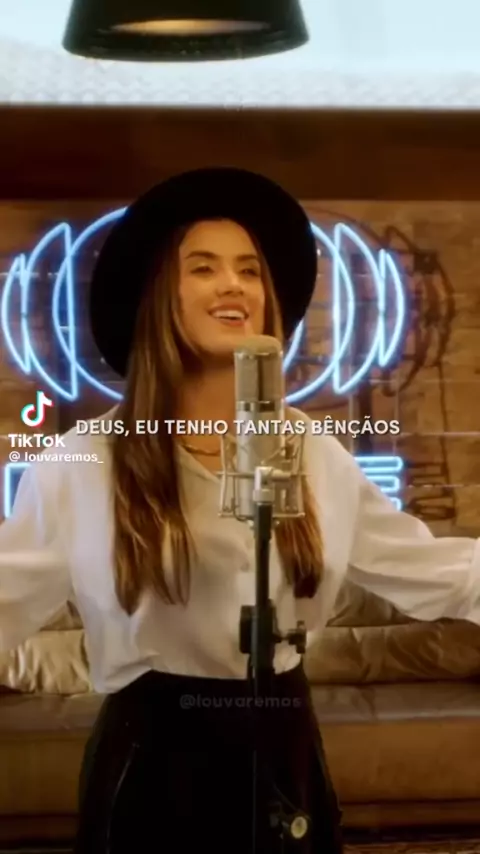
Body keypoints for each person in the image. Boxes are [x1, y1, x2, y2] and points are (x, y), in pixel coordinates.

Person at [0, 167, 478, 854]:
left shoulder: (315, 454)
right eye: (204, 268)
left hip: (286, 747)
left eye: (249, 270)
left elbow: (437, 570)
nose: (234, 285)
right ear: (160, 298)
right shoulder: (84, 462)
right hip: (153, 765)